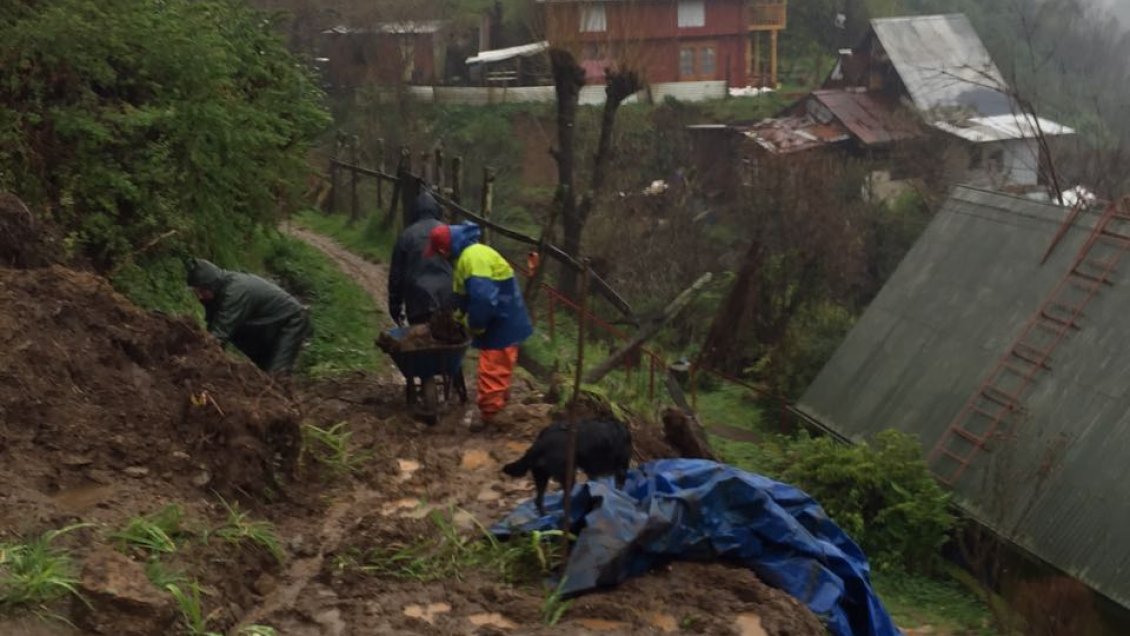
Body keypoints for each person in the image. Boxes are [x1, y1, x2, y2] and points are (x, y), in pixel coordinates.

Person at [424, 222, 533, 430]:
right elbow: (464, 296)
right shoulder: (468, 256)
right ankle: (500, 410)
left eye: (439, 254)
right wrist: (456, 314)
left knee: (492, 371)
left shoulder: (473, 258)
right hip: (502, 319)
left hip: (500, 323)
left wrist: (474, 325)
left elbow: (483, 299)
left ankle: (492, 421)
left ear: (444, 250)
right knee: (499, 370)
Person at [186, 258, 311, 375]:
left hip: (291, 320)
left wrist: (198, 363)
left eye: (202, 291)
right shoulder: (218, 294)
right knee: (263, 372)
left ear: (212, 285)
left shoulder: (234, 292)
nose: (199, 296)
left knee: (276, 374)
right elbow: (212, 332)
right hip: (264, 326)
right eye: (196, 292)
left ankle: (281, 392)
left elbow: (219, 335)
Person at [387, 190, 453, 326]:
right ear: (436, 210)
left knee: (422, 340)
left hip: (417, 301)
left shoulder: (406, 236)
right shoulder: (448, 232)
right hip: (447, 299)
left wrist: (395, 307)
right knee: (445, 338)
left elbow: (396, 276)